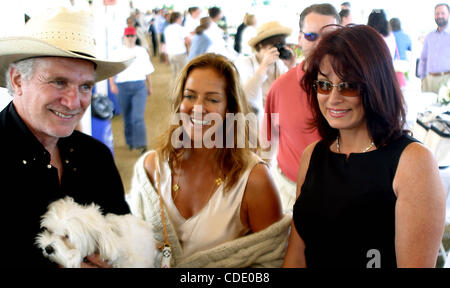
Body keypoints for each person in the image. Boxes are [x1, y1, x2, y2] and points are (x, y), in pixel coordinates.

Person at [283, 25, 446, 268]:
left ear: (376, 85)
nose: (334, 98)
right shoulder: (313, 155)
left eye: (348, 85)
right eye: (324, 85)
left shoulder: (413, 162)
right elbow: (297, 254)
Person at [126, 53, 290, 267]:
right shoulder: (151, 168)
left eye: (212, 99)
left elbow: (271, 262)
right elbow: (132, 247)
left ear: (229, 108)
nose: (198, 108)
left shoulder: (254, 180)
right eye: (190, 96)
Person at [0, 7, 133, 267]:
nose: (74, 102)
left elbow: (125, 234)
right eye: (59, 82)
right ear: (17, 80)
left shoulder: (96, 156)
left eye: (85, 86)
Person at [262, 3, 340, 212]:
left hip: (339, 193)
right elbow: (267, 142)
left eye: (330, 36)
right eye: (312, 37)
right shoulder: (280, 87)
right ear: (299, 39)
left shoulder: (356, 89)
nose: (321, 44)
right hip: (290, 192)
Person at [234, 21, 296, 125]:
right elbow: (246, 96)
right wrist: (263, 66)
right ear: (260, 45)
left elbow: (291, 95)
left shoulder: (279, 64)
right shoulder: (245, 62)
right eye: (273, 45)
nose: (276, 51)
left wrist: (291, 68)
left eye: (280, 46)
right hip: (252, 122)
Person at [109, 27, 154, 154]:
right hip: (122, 86)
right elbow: (111, 70)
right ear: (124, 37)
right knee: (127, 117)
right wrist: (112, 84)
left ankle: (141, 144)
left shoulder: (142, 51)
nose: (130, 38)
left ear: (135, 37)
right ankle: (130, 141)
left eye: (132, 36)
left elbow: (147, 70)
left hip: (139, 86)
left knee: (137, 117)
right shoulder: (117, 52)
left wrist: (150, 86)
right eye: (128, 36)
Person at [418, 3, 450, 94]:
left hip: (447, 80)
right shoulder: (429, 36)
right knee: (427, 107)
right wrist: (422, 77)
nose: (439, 16)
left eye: (443, 13)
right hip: (428, 80)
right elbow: (423, 58)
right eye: (437, 13)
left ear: (449, 14)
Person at [163, 12, 190, 81]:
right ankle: (178, 90)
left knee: (174, 73)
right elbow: (187, 40)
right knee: (181, 74)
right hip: (180, 53)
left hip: (170, 53)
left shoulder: (167, 28)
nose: (181, 20)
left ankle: (173, 89)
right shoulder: (180, 28)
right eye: (181, 18)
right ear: (178, 18)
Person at [390, 17, 412, 88]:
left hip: (391, 64)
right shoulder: (406, 36)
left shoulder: (389, 36)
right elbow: (409, 49)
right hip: (403, 64)